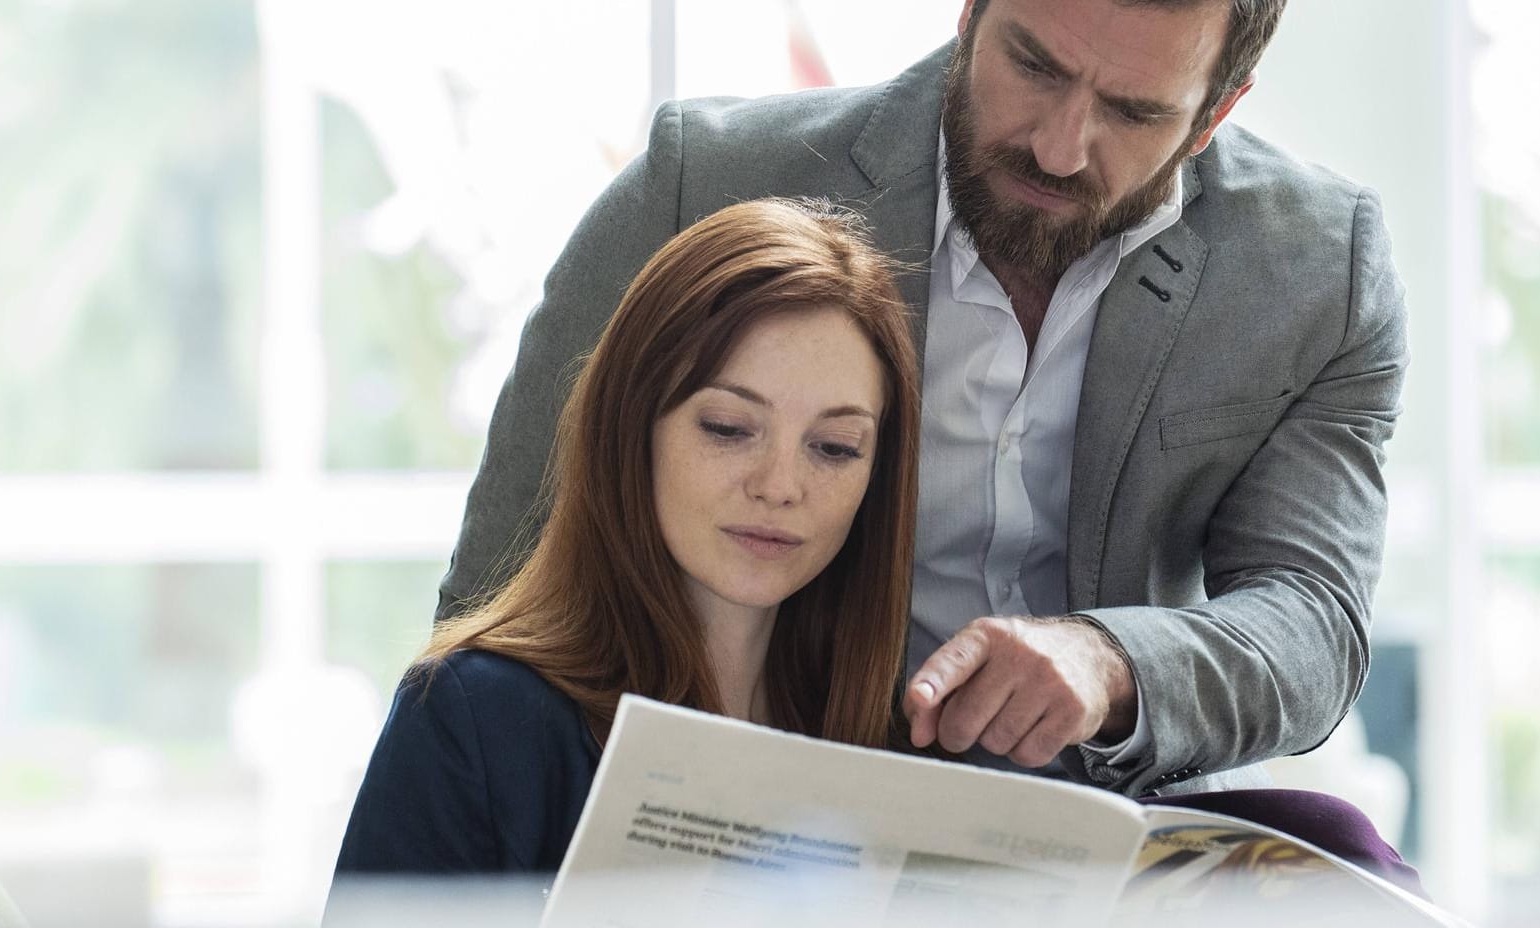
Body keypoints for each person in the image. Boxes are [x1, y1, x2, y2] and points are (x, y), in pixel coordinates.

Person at [438, 0, 1407, 801]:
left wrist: (1109, 663)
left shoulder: (1316, 272)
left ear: (1214, 113)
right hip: (743, 811)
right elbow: (500, 588)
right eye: (1032, 66)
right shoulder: (702, 187)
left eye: (1132, 112)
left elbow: (1311, 618)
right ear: (967, 14)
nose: (1060, 148)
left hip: (1116, 842)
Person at [331, 198, 921, 876]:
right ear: (632, 426)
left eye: (834, 447)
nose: (780, 485)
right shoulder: (474, 721)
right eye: (728, 429)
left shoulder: (893, 749)